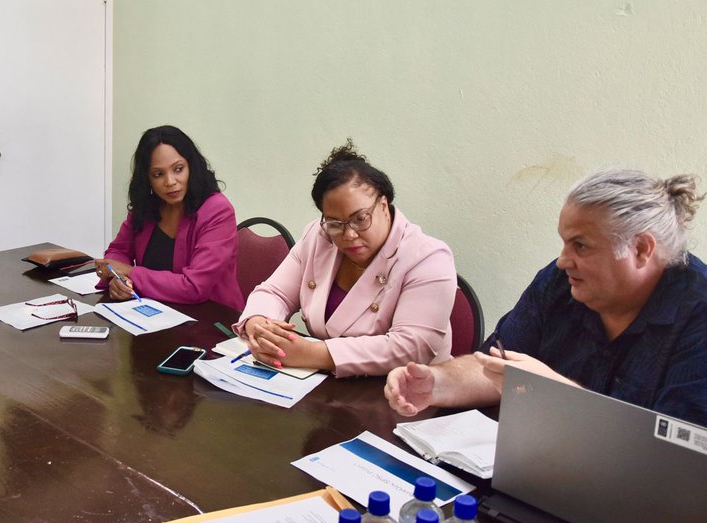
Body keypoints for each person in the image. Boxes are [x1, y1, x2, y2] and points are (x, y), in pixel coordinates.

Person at [384, 169, 707, 503]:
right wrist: (436, 382)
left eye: (580, 245)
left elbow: (687, 473)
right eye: (564, 241)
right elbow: (496, 366)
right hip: (568, 486)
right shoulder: (560, 284)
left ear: (641, 249)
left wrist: (557, 395)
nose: (562, 260)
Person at [236, 141, 456, 376]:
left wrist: (312, 354)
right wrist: (260, 326)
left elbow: (412, 348)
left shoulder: (428, 257)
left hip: (410, 393)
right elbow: (274, 293)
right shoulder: (319, 237)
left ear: (383, 205)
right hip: (329, 388)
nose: (349, 234)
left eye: (360, 219)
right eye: (335, 224)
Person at [95, 125, 242, 311]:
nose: (170, 182)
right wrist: (119, 278)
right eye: (158, 174)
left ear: (191, 167)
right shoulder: (147, 206)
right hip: (153, 316)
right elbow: (118, 251)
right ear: (147, 178)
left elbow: (195, 287)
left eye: (178, 169)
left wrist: (131, 272)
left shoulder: (217, 211)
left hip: (209, 321)